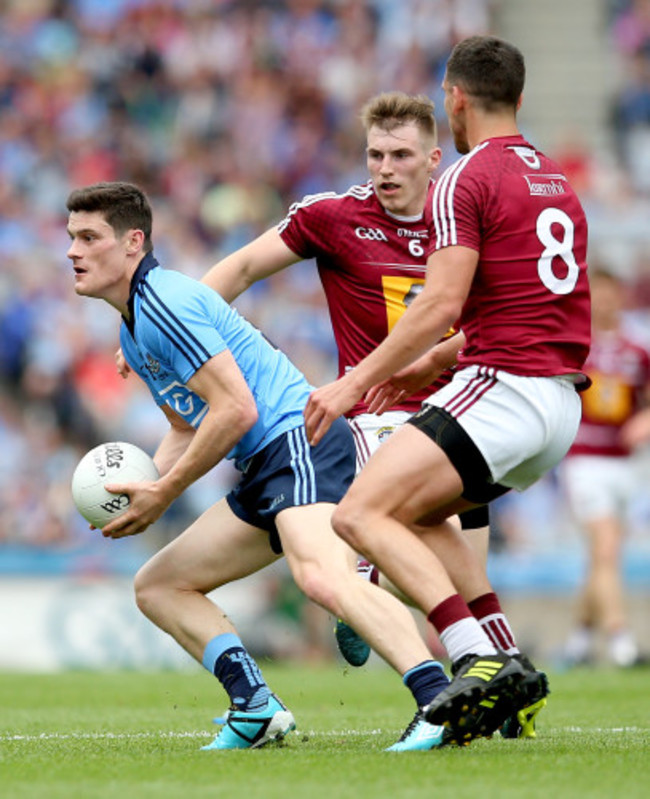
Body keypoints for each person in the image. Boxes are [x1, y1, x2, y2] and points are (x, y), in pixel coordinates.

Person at [65, 180, 454, 753]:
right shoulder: (133, 321)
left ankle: (440, 703)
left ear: (132, 243)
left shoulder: (163, 303)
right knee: (159, 585)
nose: (72, 250)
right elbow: (187, 423)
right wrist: (143, 486)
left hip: (299, 440)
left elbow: (236, 408)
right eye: (71, 237)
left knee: (322, 577)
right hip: (266, 463)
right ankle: (256, 708)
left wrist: (166, 491)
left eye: (88, 237)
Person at [303, 35, 591, 744]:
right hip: (558, 404)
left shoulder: (466, 178)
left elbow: (438, 304)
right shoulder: (554, 178)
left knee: (357, 514)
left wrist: (355, 381)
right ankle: (511, 659)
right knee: (420, 515)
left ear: (453, 99)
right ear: (518, 99)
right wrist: (429, 366)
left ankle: (475, 660)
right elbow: (530, 304)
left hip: (504, 386)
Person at [560, 268, 650, 668]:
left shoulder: (637, 350)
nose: (606, 301)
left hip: (625, 466)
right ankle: (621, 640)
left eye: (612, 293)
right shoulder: (572, 346)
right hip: (583, 461)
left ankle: (579, 639)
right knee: (607, 546)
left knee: (601, 556)